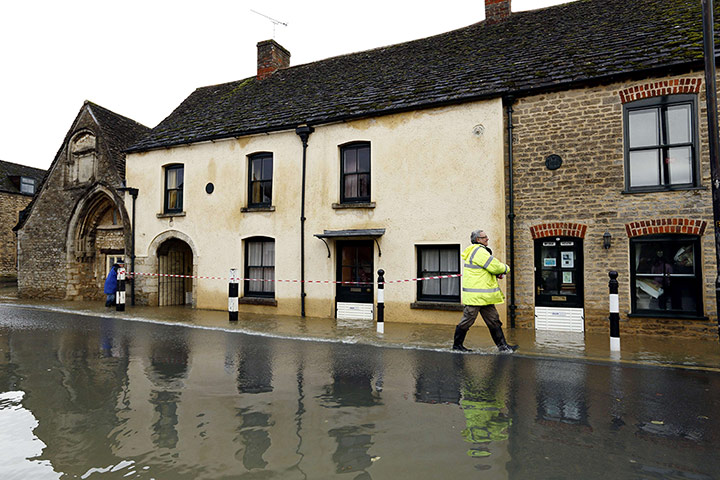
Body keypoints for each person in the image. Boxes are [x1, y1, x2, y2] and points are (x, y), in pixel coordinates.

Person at [453, 230, 517, 353]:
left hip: (485, 297)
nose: (487, 239)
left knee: (494, 320)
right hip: (476, 296)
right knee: (467, 321)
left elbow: (486, 270)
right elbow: (495, 266)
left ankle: (503, 347)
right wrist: (505, 269)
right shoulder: (479, 251)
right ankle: (457, 346)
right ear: (478, 240)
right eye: (484, 237)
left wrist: (496, 273)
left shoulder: (477, 251)